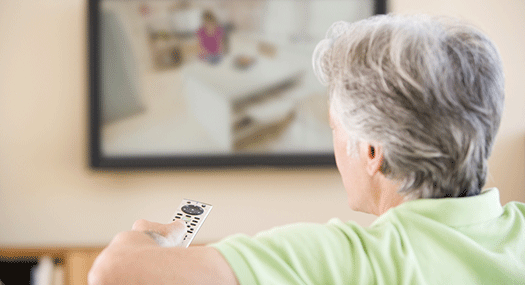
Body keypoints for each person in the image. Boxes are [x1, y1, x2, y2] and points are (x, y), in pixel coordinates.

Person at [88, 14, 525, 284]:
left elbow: (114, 273)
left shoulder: (342, 260)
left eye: (336, 128)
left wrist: (150, 237)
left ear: (372, 152)